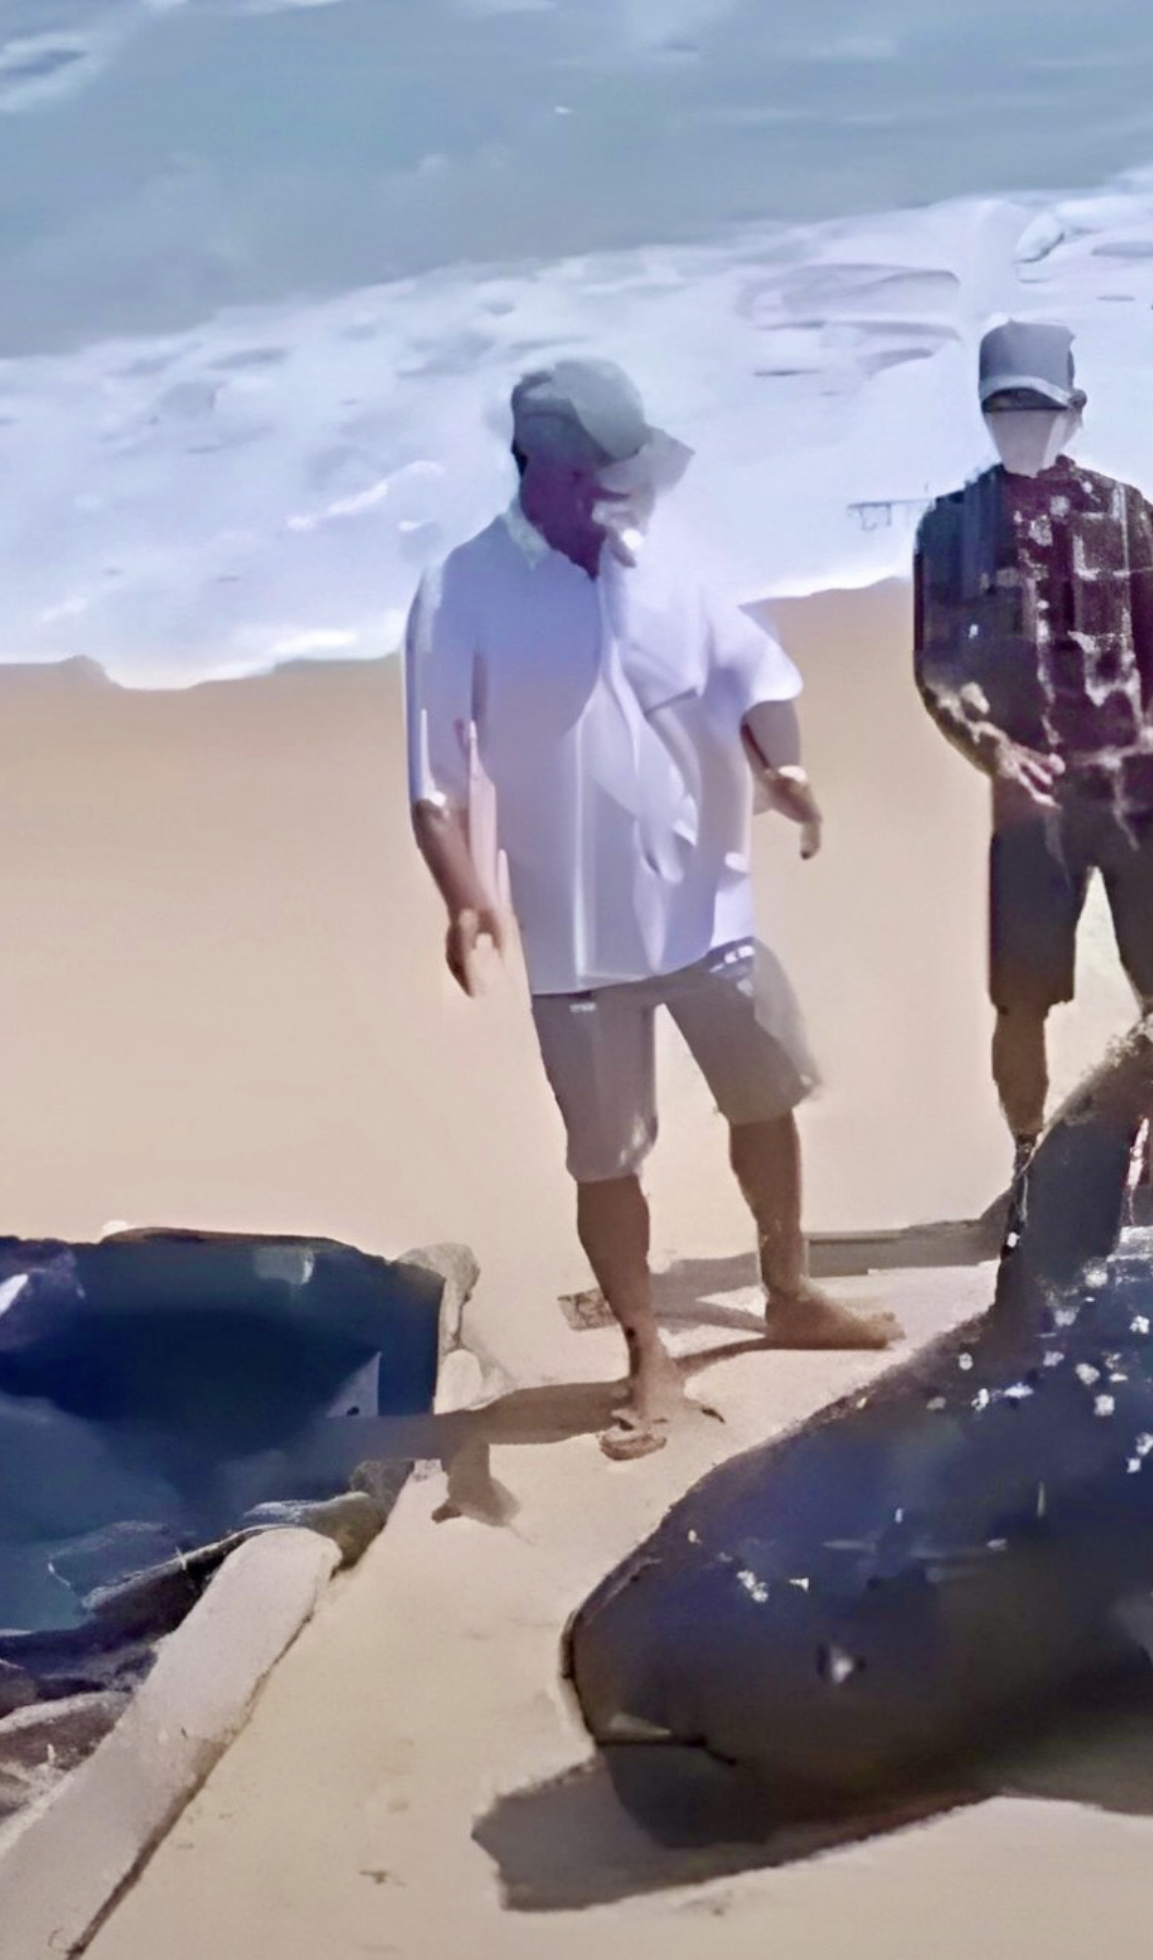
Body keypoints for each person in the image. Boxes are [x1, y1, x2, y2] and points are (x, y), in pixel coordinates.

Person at [405, 356, 895, 1462]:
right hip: (574, 933)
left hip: (710, 901)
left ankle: (788, 1287)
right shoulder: (461, 590)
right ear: (538, 470)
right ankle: (646, 1354)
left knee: (765, 1097)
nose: (618, 495)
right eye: (595, 475)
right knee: (607, 1155)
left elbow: (752, 674)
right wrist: (464, 892)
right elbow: (432, 772)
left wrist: (786, 769)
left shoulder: (669, 561)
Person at [913, 321, 1153, 1209]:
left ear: (1075, 410)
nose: (1020, 422)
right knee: (1020, 1000)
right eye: (1004, 407)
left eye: (1036, 405)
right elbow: (938, 666)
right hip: (1033, 807)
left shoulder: (1127, 513)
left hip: (1147, 793)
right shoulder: (953, 530)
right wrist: (990, 746)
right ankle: (1029, 1164)